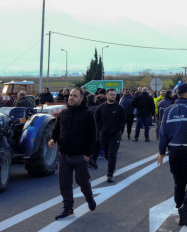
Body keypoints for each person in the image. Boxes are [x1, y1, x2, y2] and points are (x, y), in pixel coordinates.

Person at [47, 88, 97, 220]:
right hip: (63, 155)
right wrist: (52, 139)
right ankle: (68, 209)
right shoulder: (63, 113)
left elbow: (92, 135)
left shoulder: (87, 114)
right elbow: (56, 130)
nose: (71, 98)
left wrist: (87, 154)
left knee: (82, 182)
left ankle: (89, 197)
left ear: (81, 99)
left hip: (80, 155)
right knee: (64, 183)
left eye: (74, 96)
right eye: (70, 96)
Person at [156, 83, 187, 226]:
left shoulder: (168, 110)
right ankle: (185, 206)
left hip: (174, 152)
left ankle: (181, 213)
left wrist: (161, 152)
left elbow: (163, 133)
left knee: (178, 183)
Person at [94, 88, 127, 182]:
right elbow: (97, 120)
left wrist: (118, 129)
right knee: (106, 153)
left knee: (112, 153)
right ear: (107, 96)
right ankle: (112, 166)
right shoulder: (101, 108)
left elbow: (123, 120)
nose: (113, 96)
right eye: (111, 94)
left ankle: (110, 174)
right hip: (104, 135)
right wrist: (100, 129)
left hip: (115, 135)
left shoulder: (119, 108)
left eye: (114, 94)